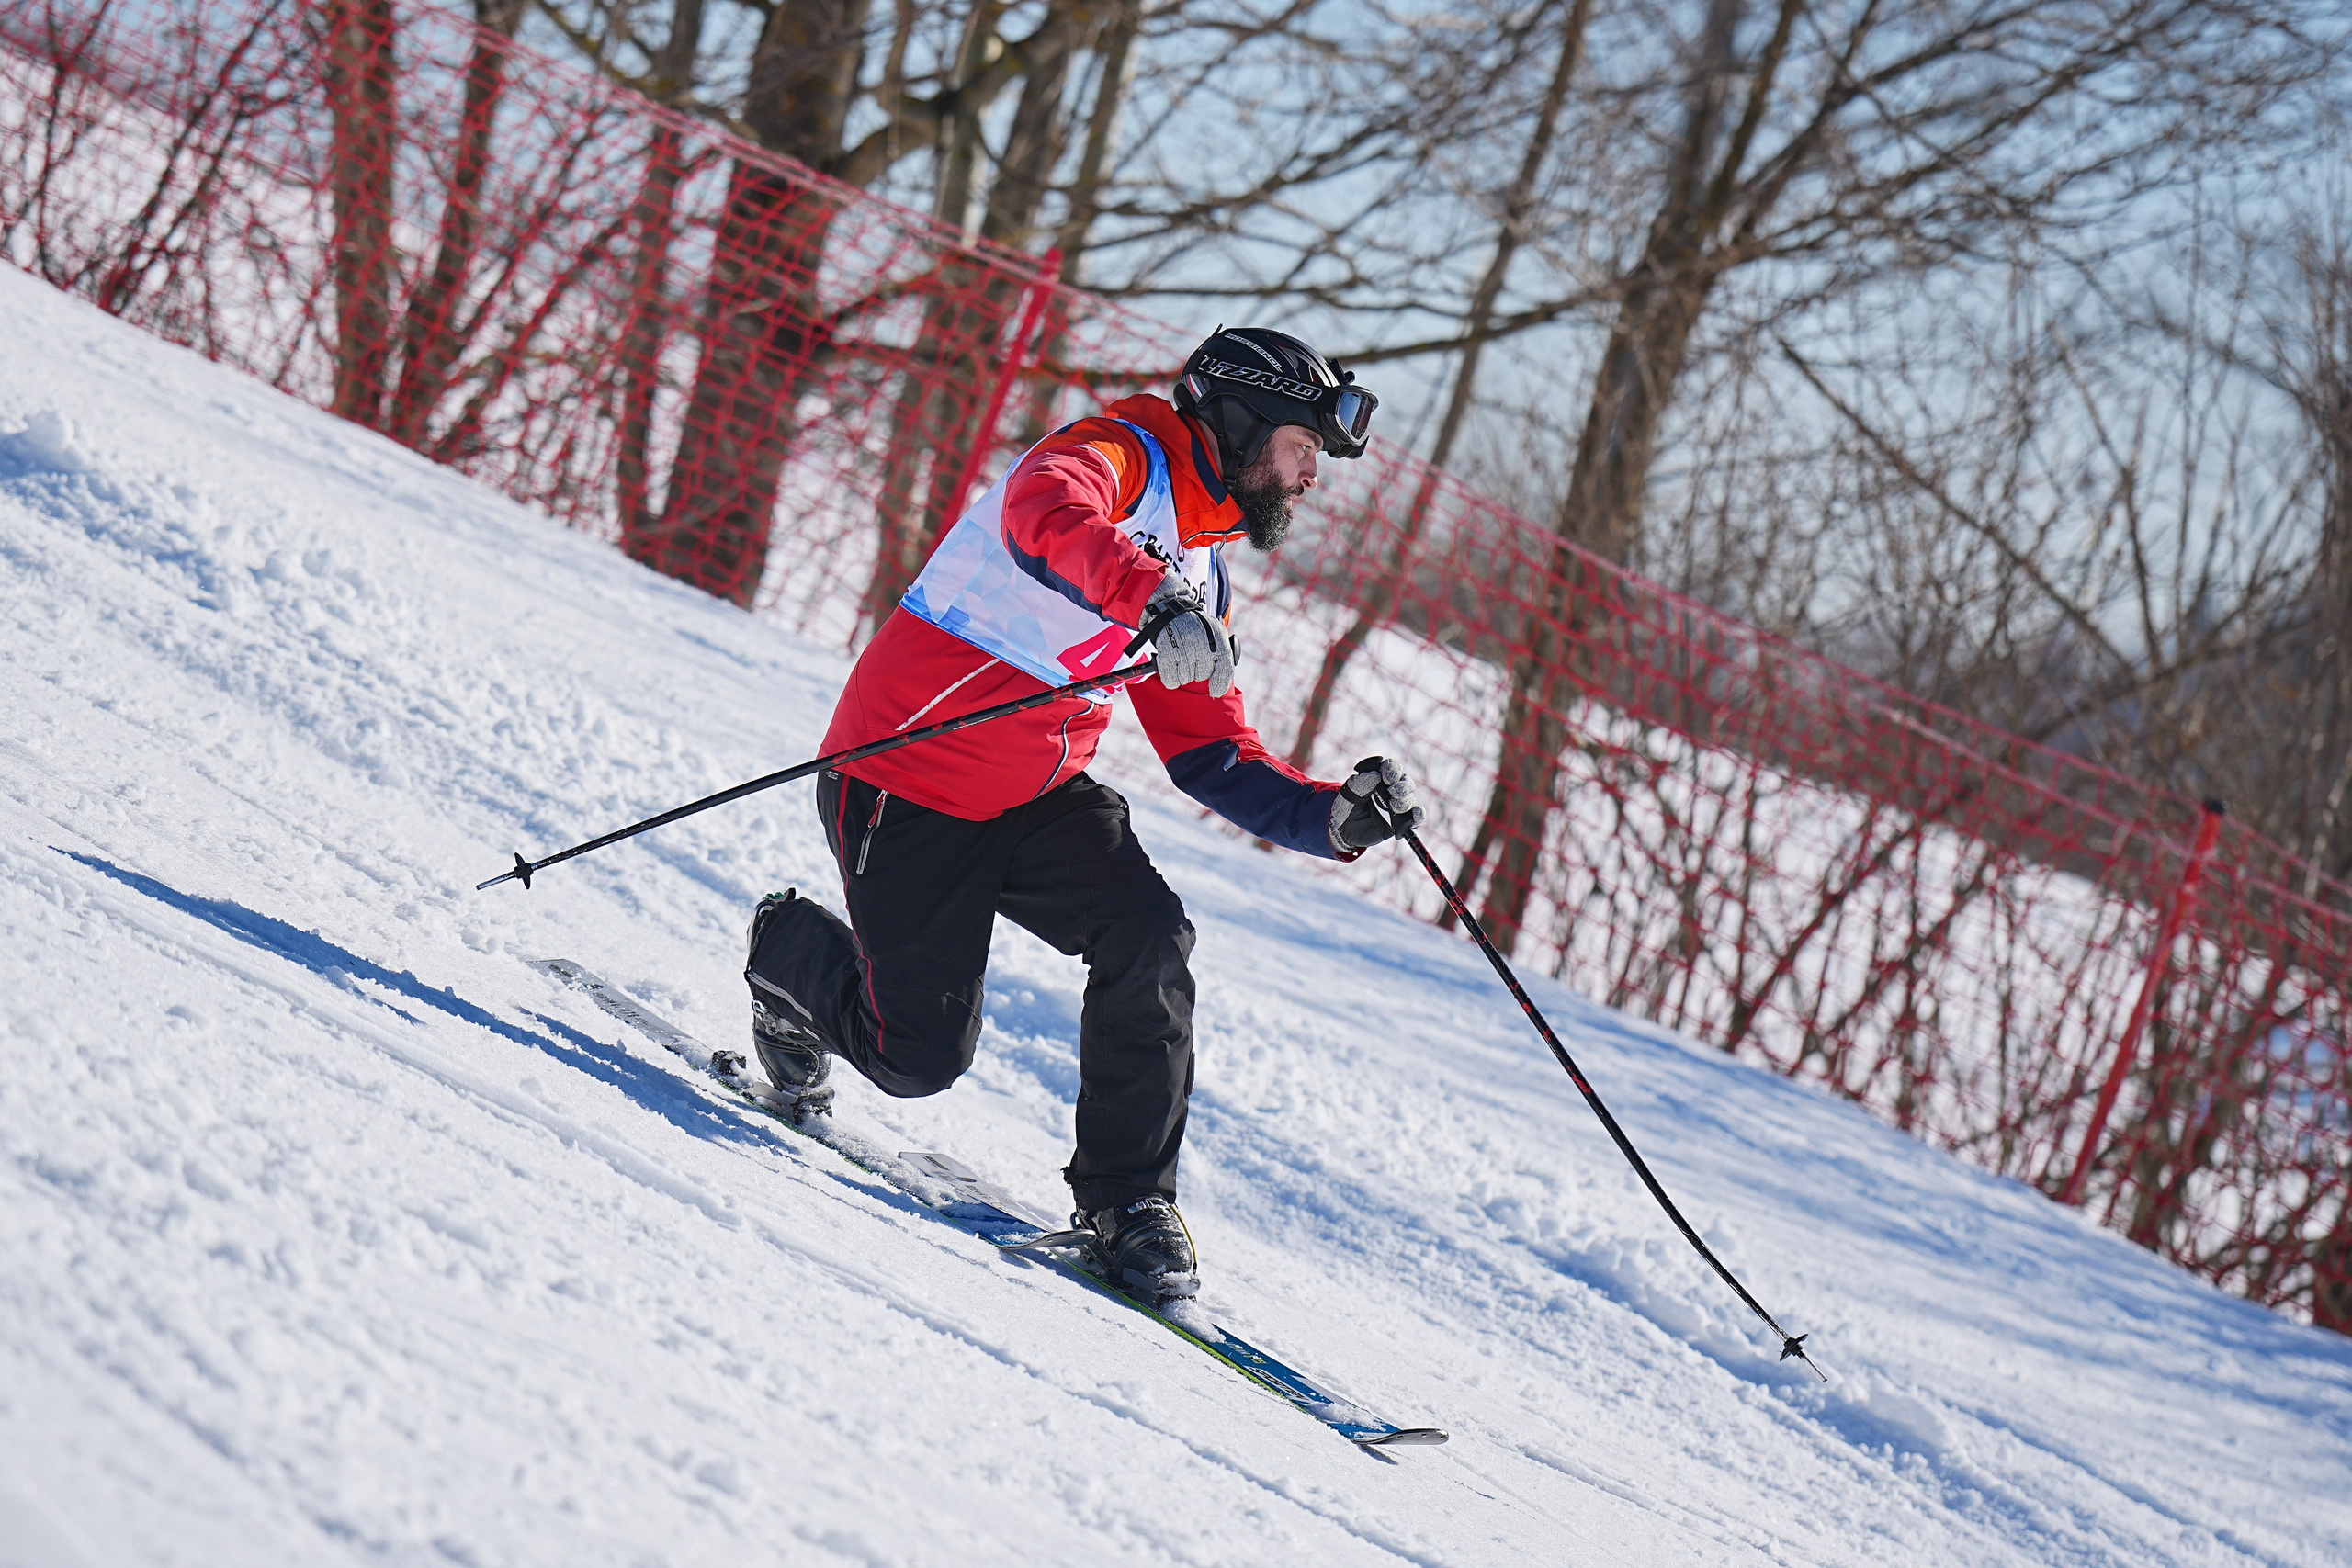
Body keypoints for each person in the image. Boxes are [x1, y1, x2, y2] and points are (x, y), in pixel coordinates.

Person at [743, 327, 1424, 1304]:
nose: (1310, 479)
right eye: (1302, 449)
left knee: (1150, 932)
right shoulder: (1113, 456)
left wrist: (1335, 821)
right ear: (1241, 423)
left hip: (1036, 794)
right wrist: (1150, 596)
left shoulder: (1203, 561)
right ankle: (786, 951)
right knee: (915, 1060)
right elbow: (1042, 509)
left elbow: (1209, 751)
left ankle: (1127, 1202)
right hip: (905, 782)